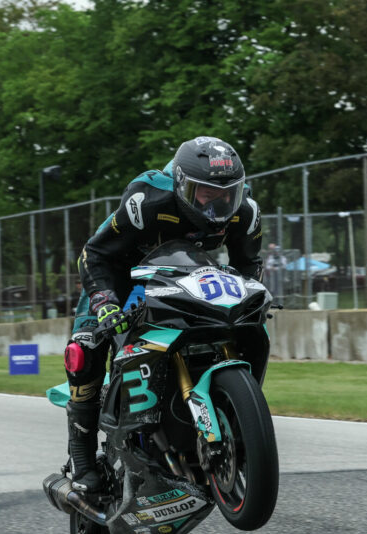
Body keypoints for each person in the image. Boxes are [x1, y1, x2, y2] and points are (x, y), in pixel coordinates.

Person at [62, 135, 263, 493]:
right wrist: (106, 303)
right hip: (122, 277)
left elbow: (247, 265)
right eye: (207, 194)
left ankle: (223, 413)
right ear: (183, 186)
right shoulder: (147, 200)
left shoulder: (245, 214)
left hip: (187, 275)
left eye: (228, 193)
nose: (220, 204)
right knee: (85, 348)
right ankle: (81, 458)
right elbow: (94, 254)